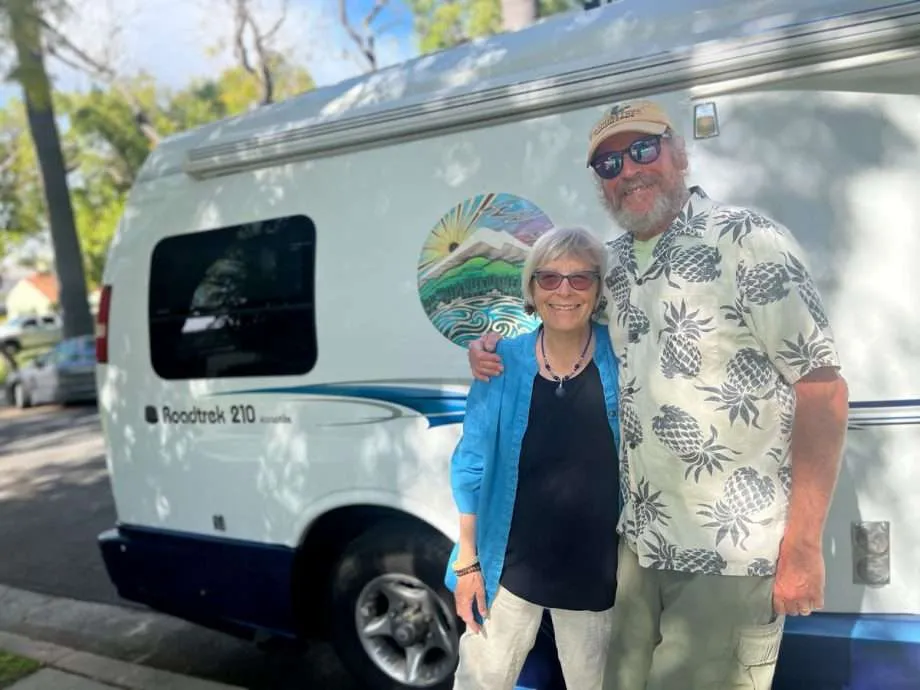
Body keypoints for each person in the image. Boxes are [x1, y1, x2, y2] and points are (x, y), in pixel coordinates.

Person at [467, 99, 850, 690]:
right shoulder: (612, 266)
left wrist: (802, 547)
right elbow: (563, 318)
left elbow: (822, 390)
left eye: (642, 149)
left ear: (679, 154)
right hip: (639, 546)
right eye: (609, 164)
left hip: (731, 553)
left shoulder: (749, 241)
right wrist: (492, 348)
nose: (628, 170)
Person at [445, 225, 622, 690]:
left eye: (580, 279)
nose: (564, 291)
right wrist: (467, 563)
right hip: (508, 569)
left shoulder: (625, 356)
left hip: (598, 577)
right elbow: (471, 465)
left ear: (599, 290)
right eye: (549, 278)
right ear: (532, 288)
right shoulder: (501, 361)